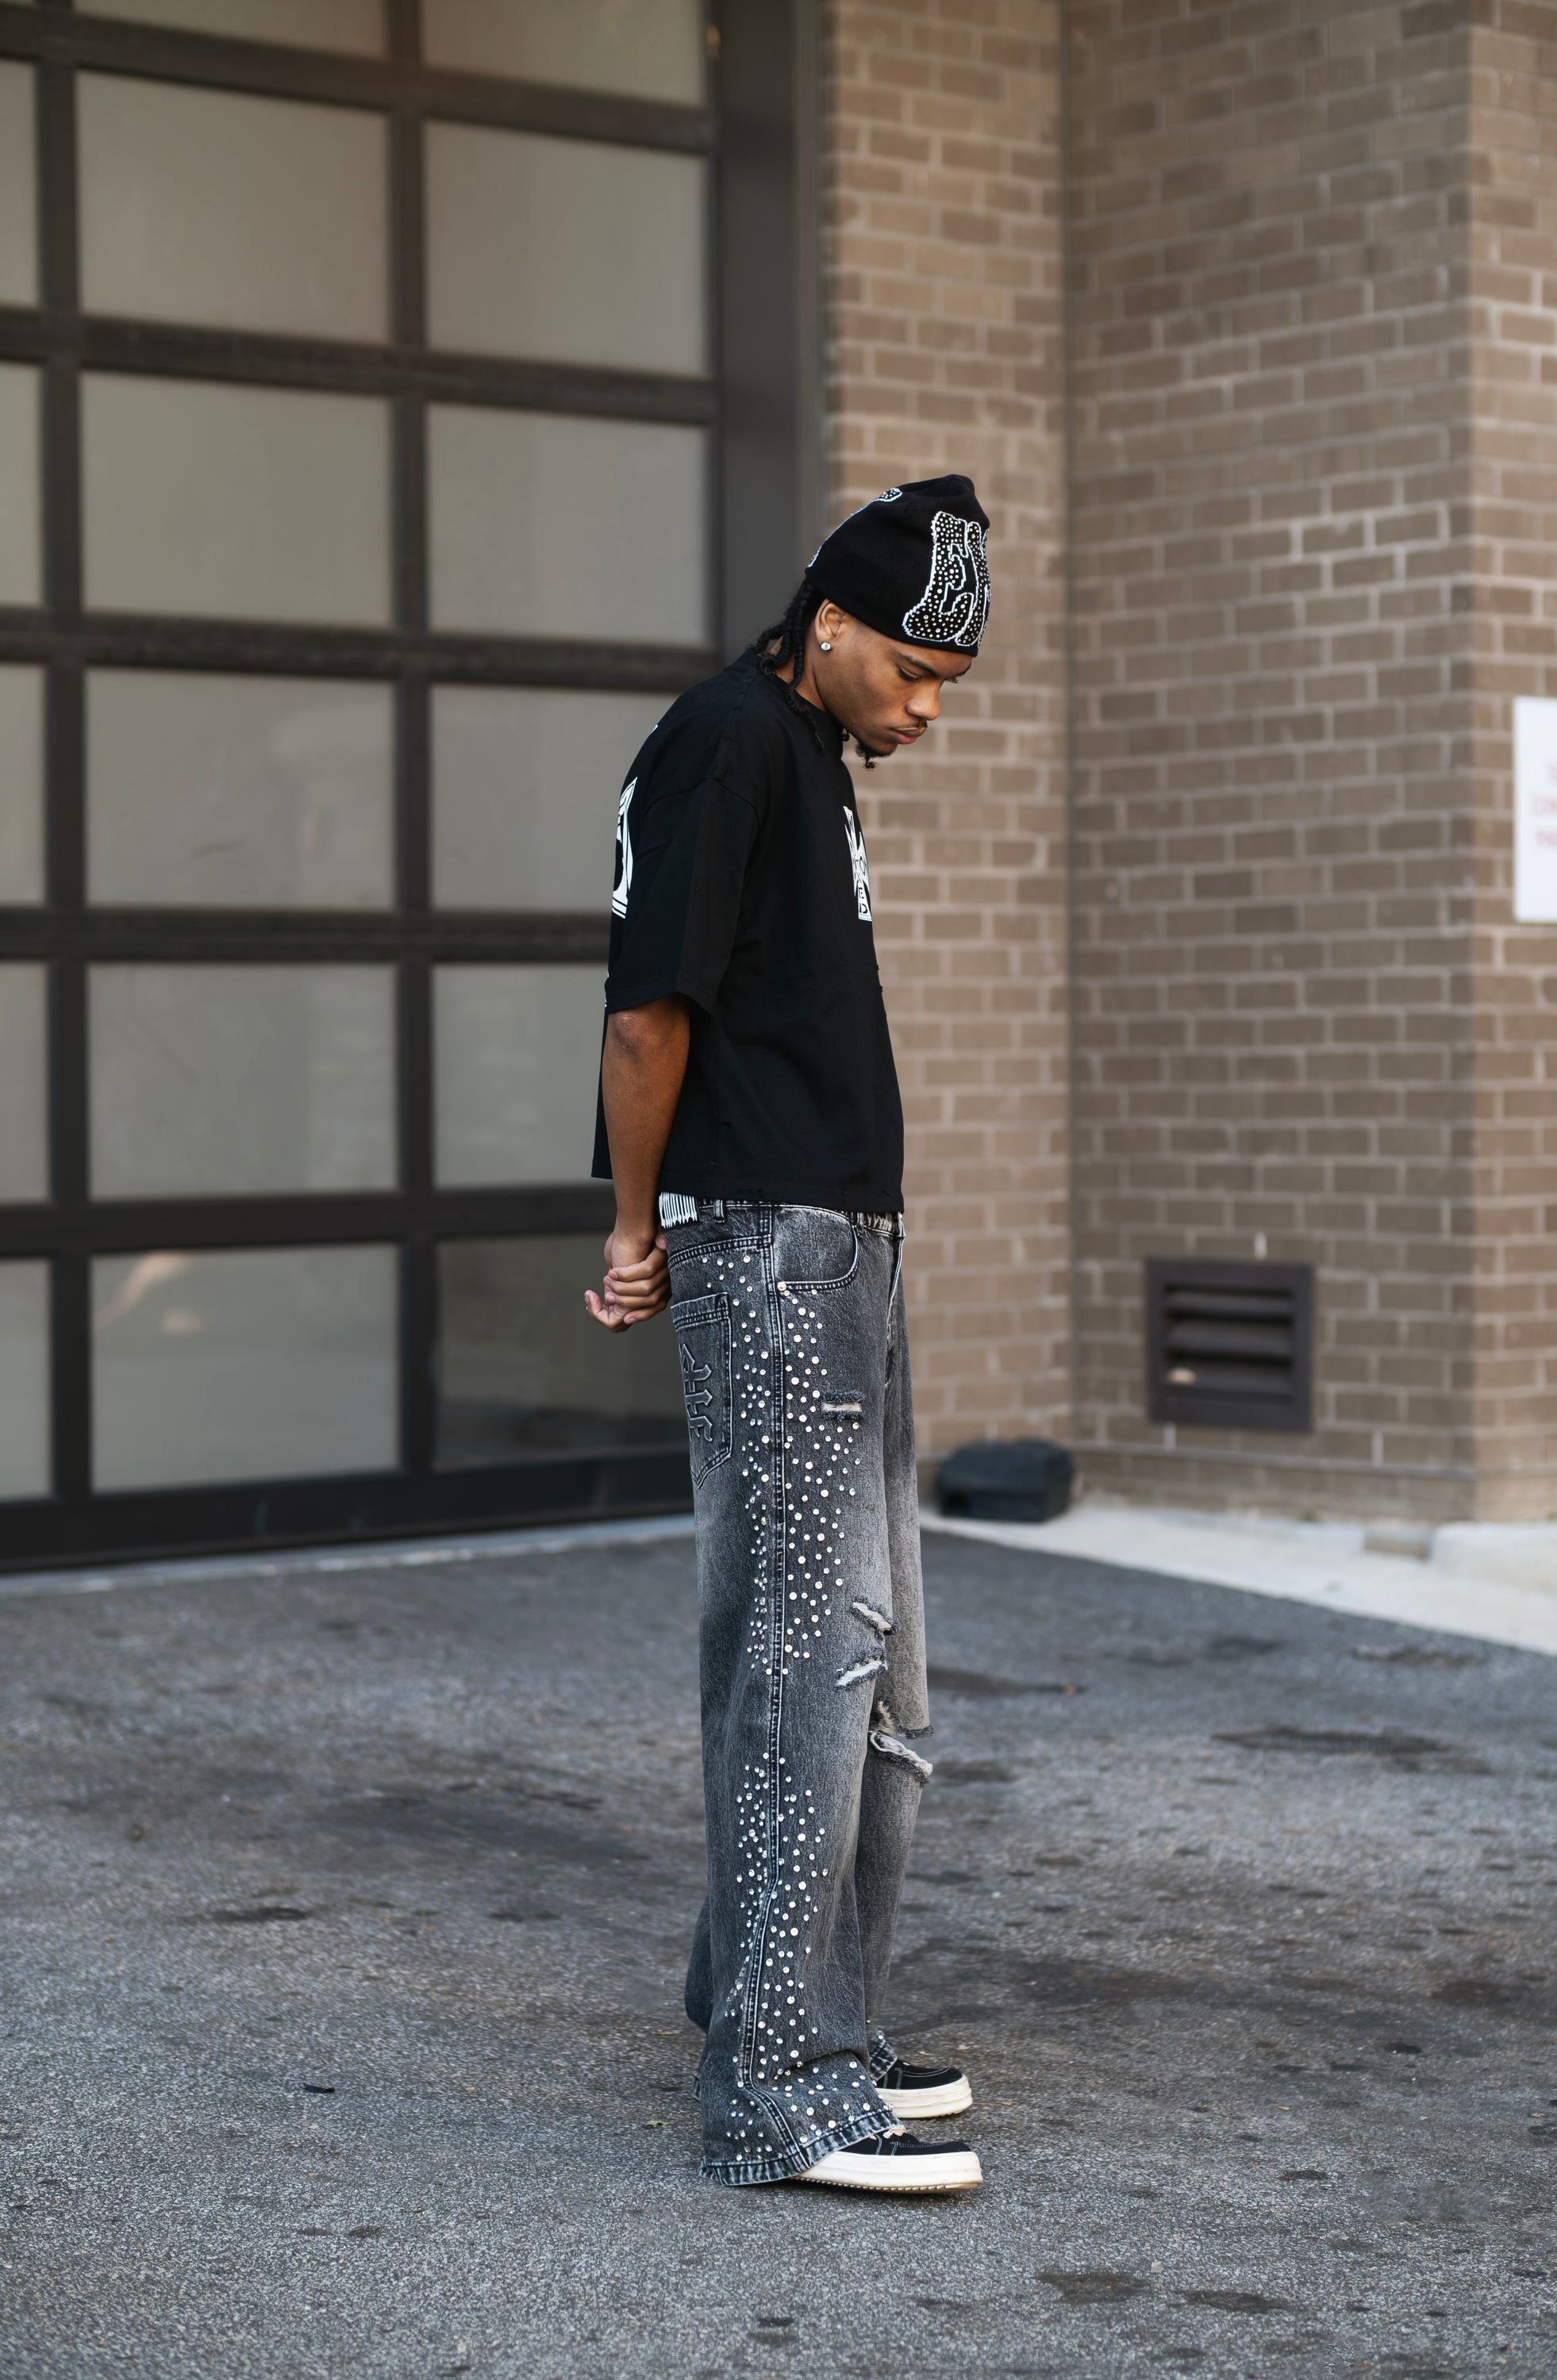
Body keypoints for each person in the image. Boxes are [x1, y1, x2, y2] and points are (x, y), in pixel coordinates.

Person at [584, 478, 991, 2194]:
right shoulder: (729, 742)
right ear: (828, 626)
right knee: (806, 1653)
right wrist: (637, 1226)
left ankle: (804, 2005)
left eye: (946, 686)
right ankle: (771, 2084)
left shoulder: (803, 749)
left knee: (875, 1670)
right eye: (911, 671)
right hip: (765, 1243)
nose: (925, 710)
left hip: (838, 1243)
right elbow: (647, 1012)